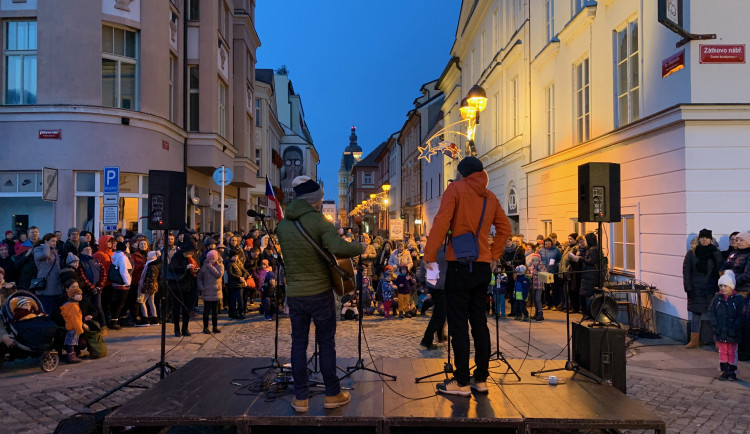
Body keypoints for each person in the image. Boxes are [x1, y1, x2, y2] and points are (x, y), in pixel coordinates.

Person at [423, 156, 512, 397]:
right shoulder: (490, 196)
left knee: (459, 324)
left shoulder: (456, 189)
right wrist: (494, 254)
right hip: (482, 266)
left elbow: (441, 224)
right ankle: (480, 379)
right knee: (480, 323)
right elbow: (505, 229)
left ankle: (461, 381)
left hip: (459, 266)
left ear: (462, 174)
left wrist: (430, 257)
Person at [275, 176, 364, 413]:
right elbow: (339, 248)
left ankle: (301, 398)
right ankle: (332, 394)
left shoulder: (282, 226)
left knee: (298, 344)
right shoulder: (320, 222)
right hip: (320, 293)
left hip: (295, 294)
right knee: (326, 344)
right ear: (315, 200)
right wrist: (361, 247)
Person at [682, 229, 723, 349]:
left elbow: (720, 270)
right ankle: (694, 341)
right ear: (699, 239)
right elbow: (686, 272)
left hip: (711, 288)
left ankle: (717, 341)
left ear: (711, 239)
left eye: (707, 237)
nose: (704, 239)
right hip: (696, 289)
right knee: (696, 315)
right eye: (702, 237)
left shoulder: (715, 252)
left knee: (714, 315)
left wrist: (720, 288)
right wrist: (688, 288)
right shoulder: (692, 253)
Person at [719, 231, 750, 360]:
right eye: (736, 240)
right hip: (732, 291)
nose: (738, 242)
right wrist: (723, 278)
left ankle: (745, 351)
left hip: (744, 292)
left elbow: (748, 274)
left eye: (741, 240)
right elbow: (724, 266)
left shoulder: (748, 255)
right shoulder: (734, 253)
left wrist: (732, 282)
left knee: (744, 322)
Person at [708, 272, 743, 381]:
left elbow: (741, 315)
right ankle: (724, 370)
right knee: (723, 351)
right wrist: (715, 325)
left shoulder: (737, 299)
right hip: (721, 330)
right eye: (721, 286)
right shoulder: (717, 298)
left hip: (733, 331)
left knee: (732, 351)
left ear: (731, 286)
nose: (722, 288)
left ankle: (732, 371)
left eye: (725, 286)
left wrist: (735, 327)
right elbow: (711, 312)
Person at [420, 245, 447, 349]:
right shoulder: (446, 248)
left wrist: (422, 279)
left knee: (441, 311)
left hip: (433, 283)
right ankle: (427, 339)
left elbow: (423, 264)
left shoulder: (431, 247)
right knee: (439, 313)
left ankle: (440, 335)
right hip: (442, 284)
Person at [60, 280, 90, 364]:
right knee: (71, 343)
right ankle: (71, 356)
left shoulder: (69, 305)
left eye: (80, 294)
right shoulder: (73, 307)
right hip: (73, 328)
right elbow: (75, 320)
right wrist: (80, 329)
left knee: (71, 342)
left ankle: (71, 355)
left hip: (70, 327)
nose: (80, 296)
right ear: (72, 296)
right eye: (77, 295)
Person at [33, 233, 62, 317]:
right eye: (52, 241)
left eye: (56, 241)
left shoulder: (54, 251)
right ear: (46, 241)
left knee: (54, 309)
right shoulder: (38, 249)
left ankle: (53, 327)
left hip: (56, 282)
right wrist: (46, 245)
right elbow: (45, 255)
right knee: (46, 308)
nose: (55, 243)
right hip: (46, 283)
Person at [197, 249, 223, 334]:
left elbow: (218, 275)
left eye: (212, 258)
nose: (211, 260)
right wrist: (201, 286)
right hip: (207, 290)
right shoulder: (204, 266)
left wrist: (210, 266)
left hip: (216, 291)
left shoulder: (220, 266)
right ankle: (205, 327)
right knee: (206, 311)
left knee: (215, 311)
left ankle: (215, 326)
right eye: (209, 259)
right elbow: (199, 277)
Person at [109, 241, 133, 330]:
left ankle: (115, 319)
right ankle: (115, 321)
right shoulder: (123, 257)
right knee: (120, 303)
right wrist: (128, 282)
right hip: (122, 283)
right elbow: (124, 270)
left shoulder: (115, 256)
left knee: (116, 302)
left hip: (115, 282)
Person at [538, 238, 562, 310]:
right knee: (546, 288)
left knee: (554, 288)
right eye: (546, 242)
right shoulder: (541, 250)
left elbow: (559, 259)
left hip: (553, 271)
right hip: (544, 271)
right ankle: (548, 303)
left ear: (551, 242)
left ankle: (555, 304)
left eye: (548, 242)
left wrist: (555, 265)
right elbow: (539, 259)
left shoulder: (556, 250)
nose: (547, 243)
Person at [527, 253, 547, 321]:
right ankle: (536, 312)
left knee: (538, 299)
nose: (535, 262)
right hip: (533, 285)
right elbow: (529, 272)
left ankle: (540, 313)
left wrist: (533, 274)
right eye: (533, 260)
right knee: (534, 299)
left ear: (539, 261)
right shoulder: (531, 267)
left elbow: (542, 273)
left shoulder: (541, 267)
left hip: (539, 285)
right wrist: (529, 275)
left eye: (536, 260)